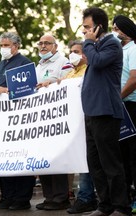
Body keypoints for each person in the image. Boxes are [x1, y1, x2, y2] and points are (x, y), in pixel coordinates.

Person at [81, 7, 131, 216]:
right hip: (91, 112)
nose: (84, 32)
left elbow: (100, 62)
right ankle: (105, 205)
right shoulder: (97, 46)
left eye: (87, 27)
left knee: (110, 162)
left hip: (106, 111)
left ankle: (121, 206)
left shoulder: (111, 43)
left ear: (99, 26)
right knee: (95, 163)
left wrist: (89, 44)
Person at [0, 32, 35, 210]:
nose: (3, 48)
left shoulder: (25, 63)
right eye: (1, 45)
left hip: (18, 121)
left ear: (16, 46)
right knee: (4, 159)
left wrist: (6, 89)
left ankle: (21, 198)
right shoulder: (0, 65)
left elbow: (28, 89)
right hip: (0, 122)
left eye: (6, 45)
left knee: (19, 157)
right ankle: (7, 196)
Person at [34, 34, 72, 211]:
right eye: (40, 43)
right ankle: (49, 197)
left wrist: (53, 82)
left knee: (56, 159)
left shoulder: (64, 62)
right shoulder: (38, 65)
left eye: (46, 43)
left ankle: (60, 198)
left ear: (55, 46)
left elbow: (68, 83)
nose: (43, 46)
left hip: (56, 119)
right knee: (43, 159)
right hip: (39, 120)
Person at [65, 41, 98, 214]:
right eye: (70, 51)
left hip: (88, 121)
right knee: (81, 159)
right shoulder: (70, 74)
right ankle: (85, 197)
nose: (73, 54)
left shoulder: (90, 70)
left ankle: (86, 197)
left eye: (76, 51)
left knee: (87, 160)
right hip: (74, 125)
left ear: (85, 54)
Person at [112, 15, 136, 214]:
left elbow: (134, 79)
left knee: (134, 155)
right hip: (119, 107)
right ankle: (125, 198)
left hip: (131, 105)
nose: (115, 31)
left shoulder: (134, 48)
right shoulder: (118, 50)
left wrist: (117, 97)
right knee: (122, 156)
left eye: (117, 28)